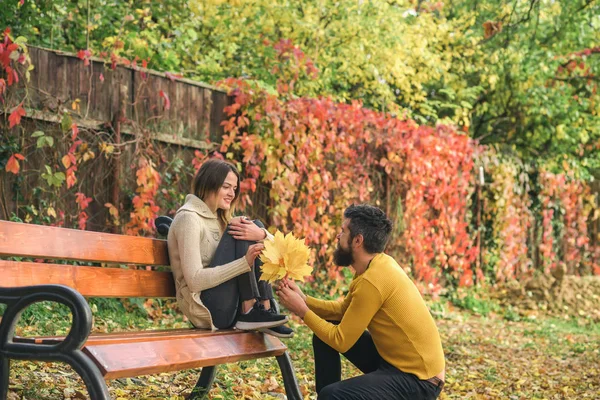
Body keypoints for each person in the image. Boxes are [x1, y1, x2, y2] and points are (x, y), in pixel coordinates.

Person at [276, 204, 445, 399]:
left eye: (343, 231)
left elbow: (341, 341)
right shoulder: (376, 265)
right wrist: (305, 300)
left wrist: (302, 311)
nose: (338, 237)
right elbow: (343, 311)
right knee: (326, 334)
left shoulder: (372, 281)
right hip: (396, 362)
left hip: (420, 381)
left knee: (332, 395)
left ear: (357, 240)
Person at [167, 158, 293, 337]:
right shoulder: (189, 218)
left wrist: (263, 236)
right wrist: (243, 263)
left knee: (251, 225)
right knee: (241, 227)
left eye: (234, 189)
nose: (231, 194)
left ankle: (264, 310)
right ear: (209, 183)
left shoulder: (221, 219)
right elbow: (194, 281)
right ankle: (252, 310)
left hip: (229, 305)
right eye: (226, 187)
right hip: (208, 311)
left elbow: (279, 252)